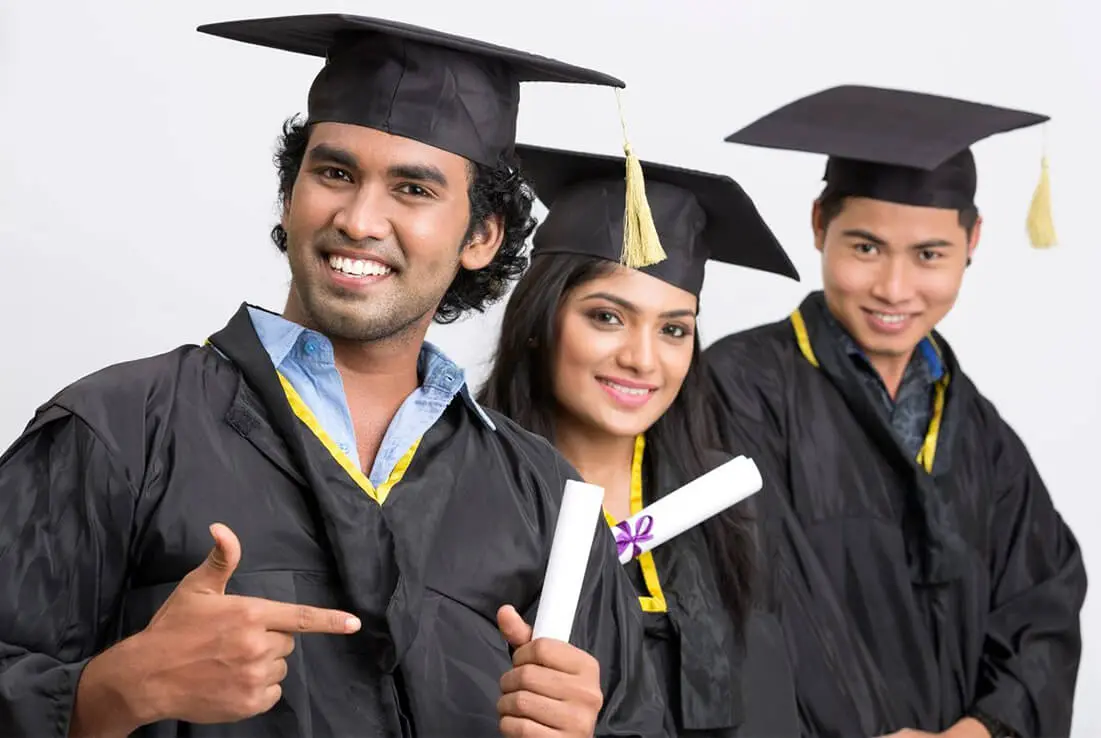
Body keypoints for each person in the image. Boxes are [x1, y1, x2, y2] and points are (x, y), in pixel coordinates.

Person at [0, 14, 673, 737]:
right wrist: (112, 691)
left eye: (412, 190)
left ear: (480, 237)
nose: (357, 218)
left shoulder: (545, 497)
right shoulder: (121, 429)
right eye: (334, 173)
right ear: (291, 196)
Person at [703, 84, 1088, 738]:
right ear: (819, 223)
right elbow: (746, 609)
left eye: (928, 255)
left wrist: (982, 730)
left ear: (972, 241)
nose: (894, 288)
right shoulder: (738, 389)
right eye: (865, 247)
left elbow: (1041, 610)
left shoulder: (982, 435)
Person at [478, 143, 803, 737]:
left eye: (674, 329)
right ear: (540, 321)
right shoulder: (465, 495)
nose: (642, 359)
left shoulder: (729, 515)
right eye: (607, 316)